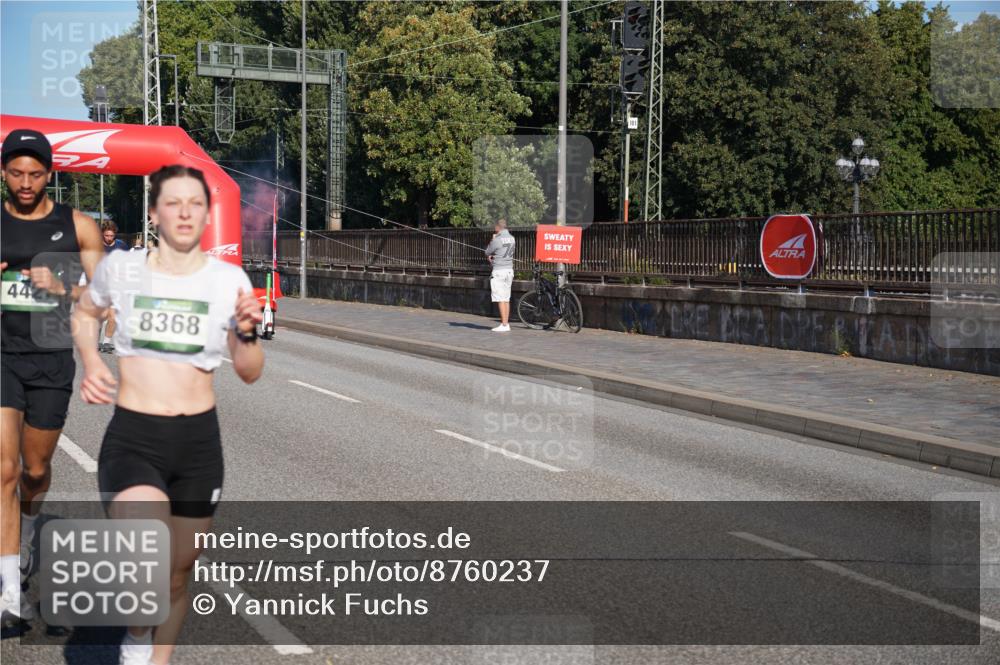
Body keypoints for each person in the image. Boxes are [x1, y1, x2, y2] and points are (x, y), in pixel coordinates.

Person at [73, 164, 263, 665]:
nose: (184, 212)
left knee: (177, 573)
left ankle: (153, 655)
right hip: (135, 435)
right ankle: (137, 643)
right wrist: (91, 362)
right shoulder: (122, 269)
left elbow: (248, 370)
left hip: (199, 445)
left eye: (194, 204)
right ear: (154, 213)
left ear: (206, 214)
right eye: (173, 203)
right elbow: (86, 312)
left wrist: (246, 333)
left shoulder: (229, 280)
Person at [0, 129, 103, 622]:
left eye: (35, 173)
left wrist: (61, 286)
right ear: (3, 172)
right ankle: (8, 594)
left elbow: (103, 303)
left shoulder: (76, 225)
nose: (25, 182)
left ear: (49, 174)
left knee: (35, 473)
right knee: (5, 470)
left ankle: (30, 530)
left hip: (50, 358)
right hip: (1, 356)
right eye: (16, 172)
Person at [99, 220, 128, 352]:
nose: (109, 238)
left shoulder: (121, 245)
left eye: (112, 236)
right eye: (107, 235)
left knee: (113, 315)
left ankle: (105, 343)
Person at [484, 218, 515, 332]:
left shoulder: (497, 239)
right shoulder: (512, 238)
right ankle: (506, 323)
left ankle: (504, 324)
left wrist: (493, 239)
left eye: (494, 227)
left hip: (499, 271)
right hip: (509, 270)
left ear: (498, 227)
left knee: (500, 298)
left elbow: (487, 252)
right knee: (506, 298)